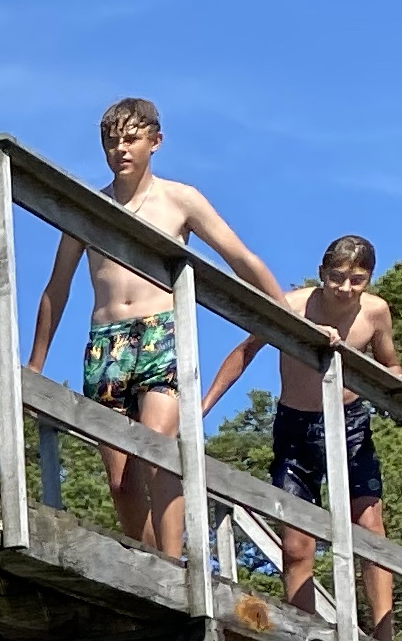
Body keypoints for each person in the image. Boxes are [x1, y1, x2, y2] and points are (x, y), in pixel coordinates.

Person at [21, 97, 288, 562]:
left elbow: (240, 258)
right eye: (111, 141)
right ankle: (149, 567)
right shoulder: (87, 207)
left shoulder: (180, 199)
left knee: (157, 450)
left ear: (155, 142)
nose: (121, 149)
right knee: (121, 481)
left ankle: (175, 562)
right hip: (106, 342)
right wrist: (35, 363)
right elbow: (56, 286)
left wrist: (287, 316)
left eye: (131, 139)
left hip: (161, 334)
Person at [201, 234, 402, 631]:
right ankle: (305, 631)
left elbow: (389, 362)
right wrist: (204, 405)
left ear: (369, 279)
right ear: (322, 273)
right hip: (296, 427)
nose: (345, 288)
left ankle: (385, 638)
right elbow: (245, 351)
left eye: (357, 280)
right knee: (296, 543)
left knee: (370, 529)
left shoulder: (375, 312)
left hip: (349, 425)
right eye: (337, 277)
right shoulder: (293, 306)